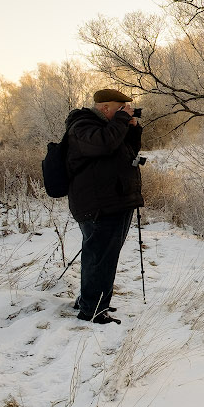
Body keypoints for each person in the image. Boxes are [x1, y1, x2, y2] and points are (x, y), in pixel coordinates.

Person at [64, 88, 144, 324]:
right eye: (120, 108)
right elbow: (103, 145)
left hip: (114, 201)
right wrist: (120, 121)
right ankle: (93, 310)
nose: (125, 111)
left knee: (100, 256)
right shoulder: (82, 125)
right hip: (100, 204)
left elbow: (129, 150)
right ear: (105, 108)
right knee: (100, 257)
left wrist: (132, 127)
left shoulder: (109, 127)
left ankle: (91, 301)